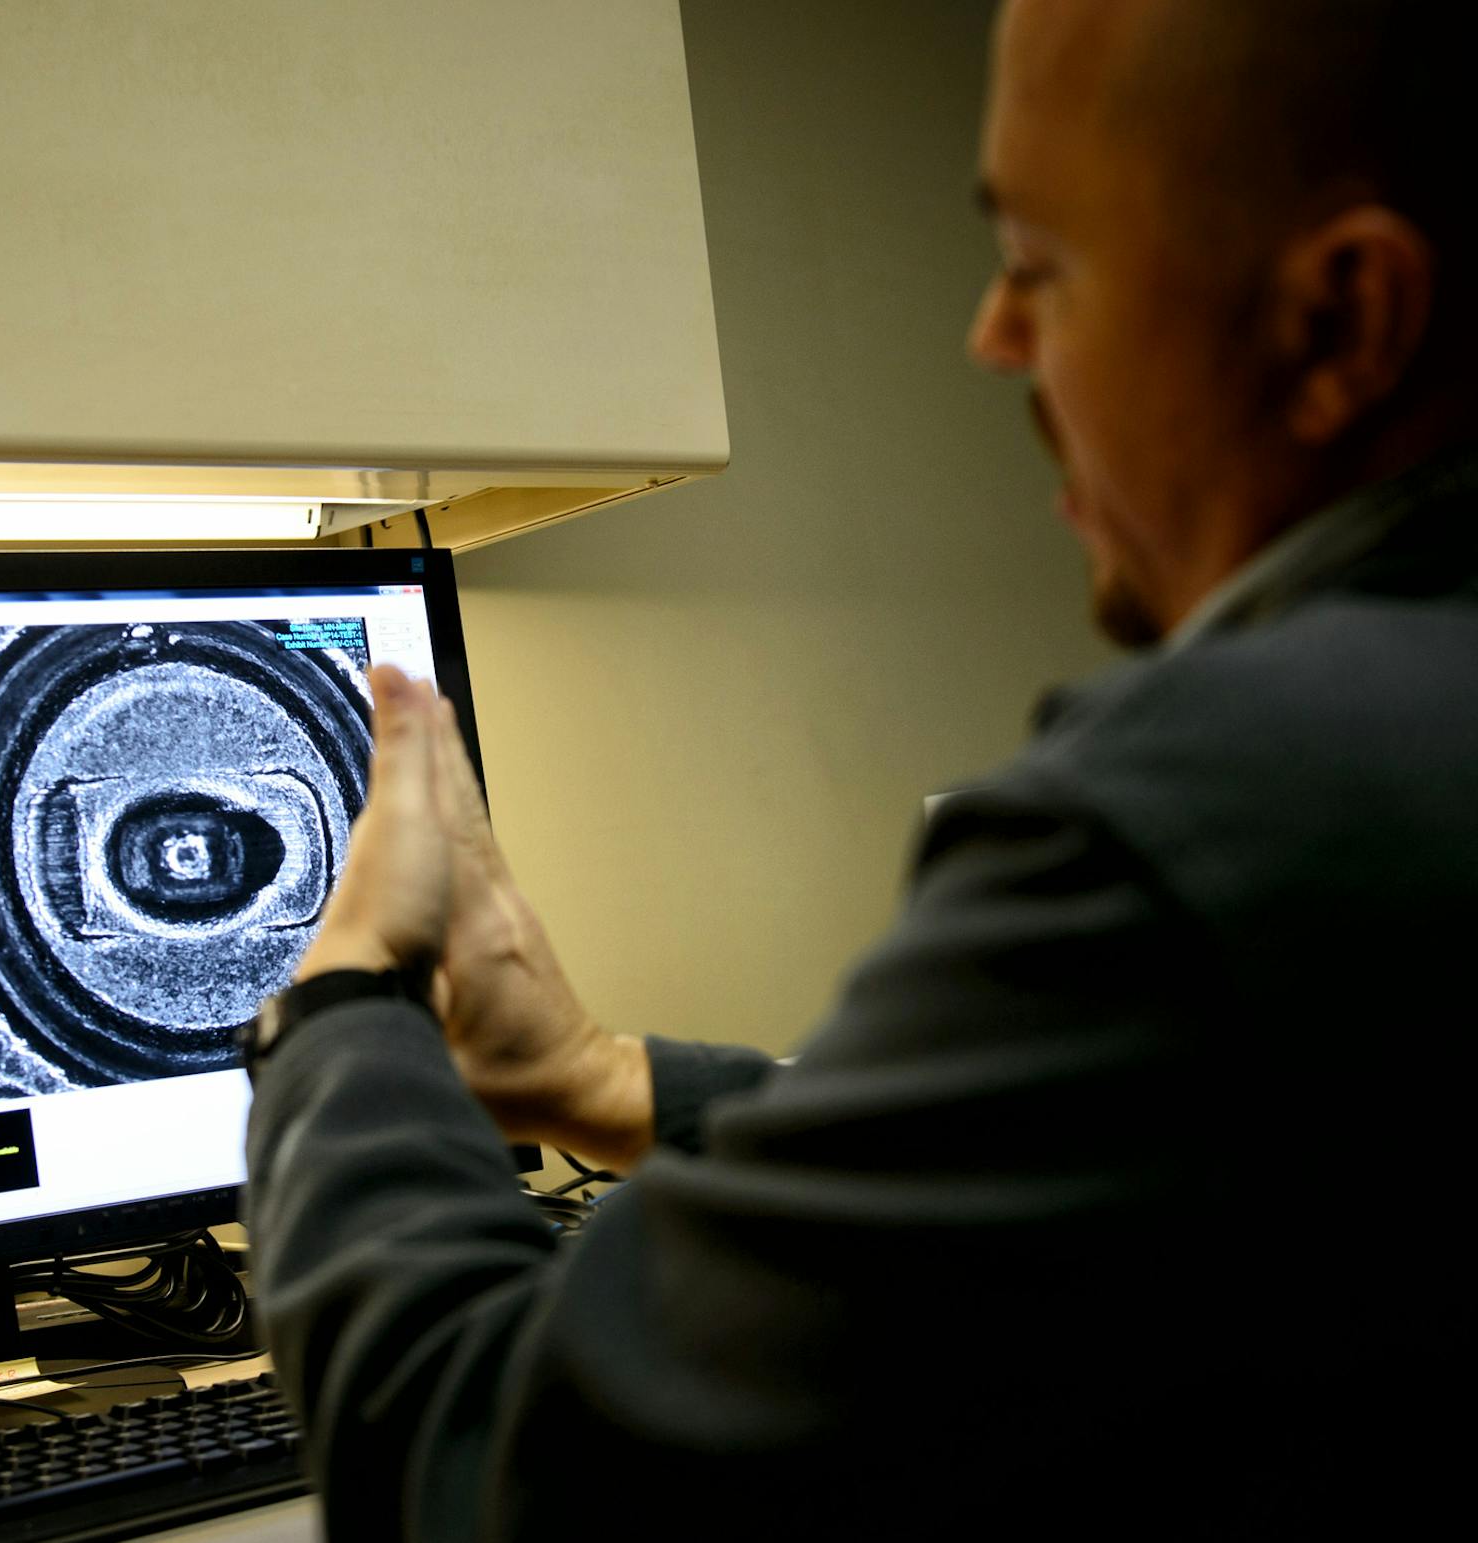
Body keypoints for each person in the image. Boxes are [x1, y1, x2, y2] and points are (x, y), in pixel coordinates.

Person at [243, 1, 1477, 1536]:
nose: (992, 337)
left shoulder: (1216, 817)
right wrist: (600, 1081)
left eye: (1040, 266)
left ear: (1346, 321)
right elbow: (1097, 1183)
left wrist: (341, 1011)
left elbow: (480, 1465)